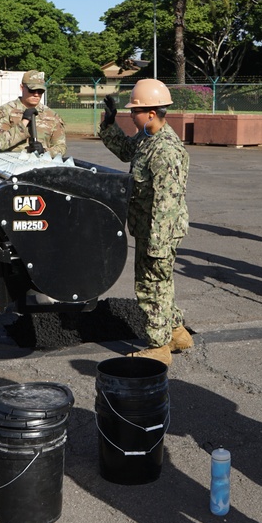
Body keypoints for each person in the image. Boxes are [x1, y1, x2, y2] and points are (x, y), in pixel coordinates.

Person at [98, 79, 192, 365]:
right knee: (162, 283)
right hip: (147, 228)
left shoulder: (165, 150)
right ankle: (176, 333)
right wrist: (109, 124)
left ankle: (158, 346)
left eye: (134, 111)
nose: (131, 115)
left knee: (150, 286)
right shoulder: (148, 137)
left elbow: (167, 203)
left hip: (158, 232)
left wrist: (157, 245)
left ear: (152, 113)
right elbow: (126, 151)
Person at [0, 70, 67, 157]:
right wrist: (24, 122)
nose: (36, 94)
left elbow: (61, 148)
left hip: (41, 165)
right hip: (12, 164)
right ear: (22, 88)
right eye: (32, 90)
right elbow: (1, 143)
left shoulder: (52, 115)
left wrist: (45, 151)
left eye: (40, 91)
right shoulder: (5, 112)